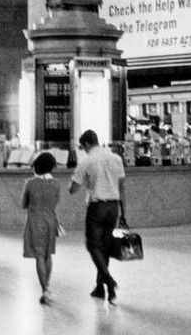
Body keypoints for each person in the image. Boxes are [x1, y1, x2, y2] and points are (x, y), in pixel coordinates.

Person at [68, 129, 125, 305]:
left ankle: (109, 280)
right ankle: (101, 288)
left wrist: (77, 181)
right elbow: (121, 187)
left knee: (93, 245)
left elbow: (73, 189)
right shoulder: (116, 158)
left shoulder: (87, 161)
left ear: (86, 144)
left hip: (97, 207)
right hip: (114, 206)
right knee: (105, 247)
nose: (83, 150)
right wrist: (124, 213)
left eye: (83, 147)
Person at [22, 152, 61, 304]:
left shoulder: (30, 183)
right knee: (48, 255)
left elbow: (23, 204)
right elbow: (55, 202)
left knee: (39, 256)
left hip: (35, 221)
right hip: (50, 220)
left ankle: (45, 290)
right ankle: (47, 286)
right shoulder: (56, 184)